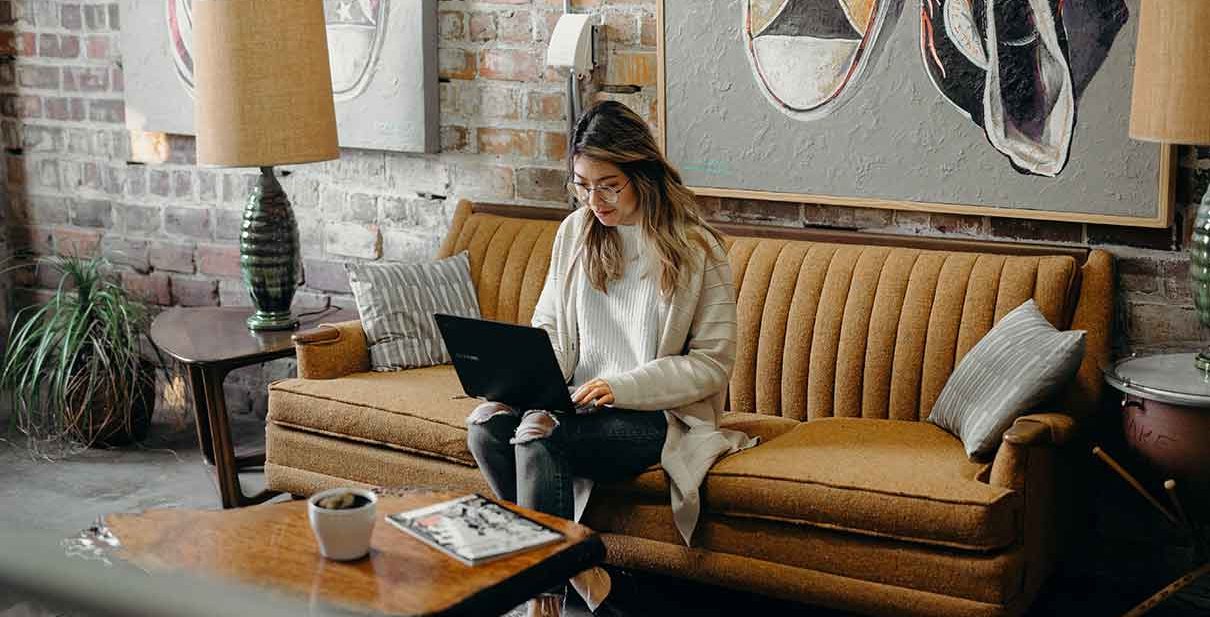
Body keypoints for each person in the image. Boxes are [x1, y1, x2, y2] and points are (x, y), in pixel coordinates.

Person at [465, 100, 757, 617]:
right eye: (582, 184)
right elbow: (549, 327)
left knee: (538, 435)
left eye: (608, 185)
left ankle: (542, 600)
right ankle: (581, 570)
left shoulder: (697, 249)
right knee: (486, 426)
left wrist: (622, 387)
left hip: (655, 417)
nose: (593, 199)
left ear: (640, 173)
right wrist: (525, 379)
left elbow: (712, 363)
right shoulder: (575, 233)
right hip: (578, 402)